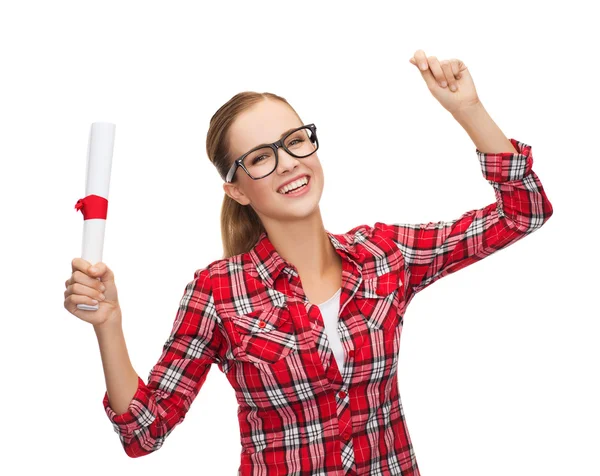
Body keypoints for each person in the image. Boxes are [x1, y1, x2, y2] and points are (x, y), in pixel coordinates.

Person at [64, 49, 554, 475]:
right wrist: (108, 325)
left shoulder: (384, 256)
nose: (289, 162)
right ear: (236, 189)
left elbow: (524, 212)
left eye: (295, 141)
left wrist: (469, 110)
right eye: (260, 157)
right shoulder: (217, 293)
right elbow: (143, 434)